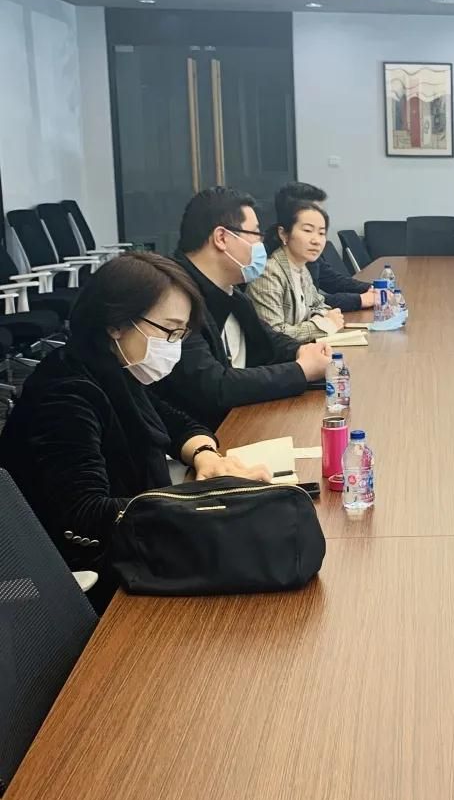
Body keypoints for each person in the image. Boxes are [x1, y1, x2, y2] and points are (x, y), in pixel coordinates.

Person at [0, 252, 268, 609]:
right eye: (169, 331)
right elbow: (86, 512)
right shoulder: (65, 393)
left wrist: (205, 455)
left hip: (128, 550)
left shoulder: (111, 367)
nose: (174, 346)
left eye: (181, 334)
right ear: (116, 323)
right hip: (81, 577)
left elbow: (175, 421)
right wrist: (204, 503)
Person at [156, 187, 331, 429]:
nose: (261, 244)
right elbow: (215, 386)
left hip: (243, 420)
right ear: (221, 238)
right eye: (255, 234)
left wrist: (303, 351)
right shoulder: (173, 298)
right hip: (205, 435)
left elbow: (268, 341)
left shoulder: (232, 291)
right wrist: (300, 370)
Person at [247, 198, 346, 343]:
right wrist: (323, 325)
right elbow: (275, 334)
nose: (316, 241)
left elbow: (320, 304)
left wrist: (321, 317)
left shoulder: (301, 267)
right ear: (283, 234)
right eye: (307, 231)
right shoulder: (268, 273)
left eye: (321, 233)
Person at [275, 182, 377, 311]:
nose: (321, 218)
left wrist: (372, 288)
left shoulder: (305, 254)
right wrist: (360, 300)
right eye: (308, 229)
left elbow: (331, 281)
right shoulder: (272, 265)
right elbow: (306, 304)